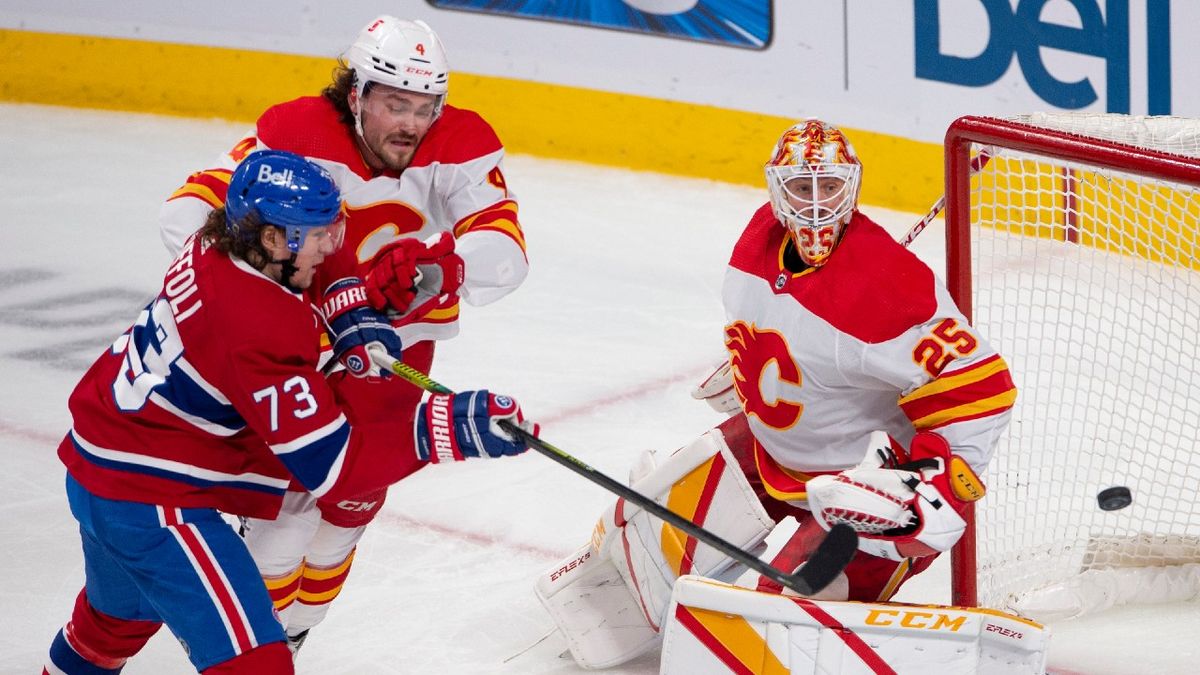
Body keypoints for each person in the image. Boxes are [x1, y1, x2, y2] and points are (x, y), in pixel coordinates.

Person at [537, 119, 1018, 670]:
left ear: (853, 186)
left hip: (859, 488)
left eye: (829, 187)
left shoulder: (890, 287)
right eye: (800, 188)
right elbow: (785, 319)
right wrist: (755, 368)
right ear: (774, 190)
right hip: (771, 446)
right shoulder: (758, 240)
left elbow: (983, 387)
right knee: (637, 550)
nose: (815, 206)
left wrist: (937, 484)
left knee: (774, 637)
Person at [45, 150, 535, 674]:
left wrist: (350, 300)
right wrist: (441, 429)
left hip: (100, 467)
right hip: (151, 501)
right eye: (317, 234)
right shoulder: (255, 328)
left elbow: (294, 296)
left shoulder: (215, 243)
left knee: (110, 627)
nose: (330, 245)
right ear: (273, 239)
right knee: (259, 665)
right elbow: (333, 468)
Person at [158, 15, 529, 654]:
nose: (412, 123)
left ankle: (291, 640)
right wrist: (266, 284)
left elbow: (508, 249)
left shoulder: (461, 142)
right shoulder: (294, 134)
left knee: (346, 517)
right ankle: (260, 653)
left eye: (424, 106)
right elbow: (189, 211)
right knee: (286, 524)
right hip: (302, 353)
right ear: (356, 94)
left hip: (392, 353)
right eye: (394, 103)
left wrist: (444, 267)